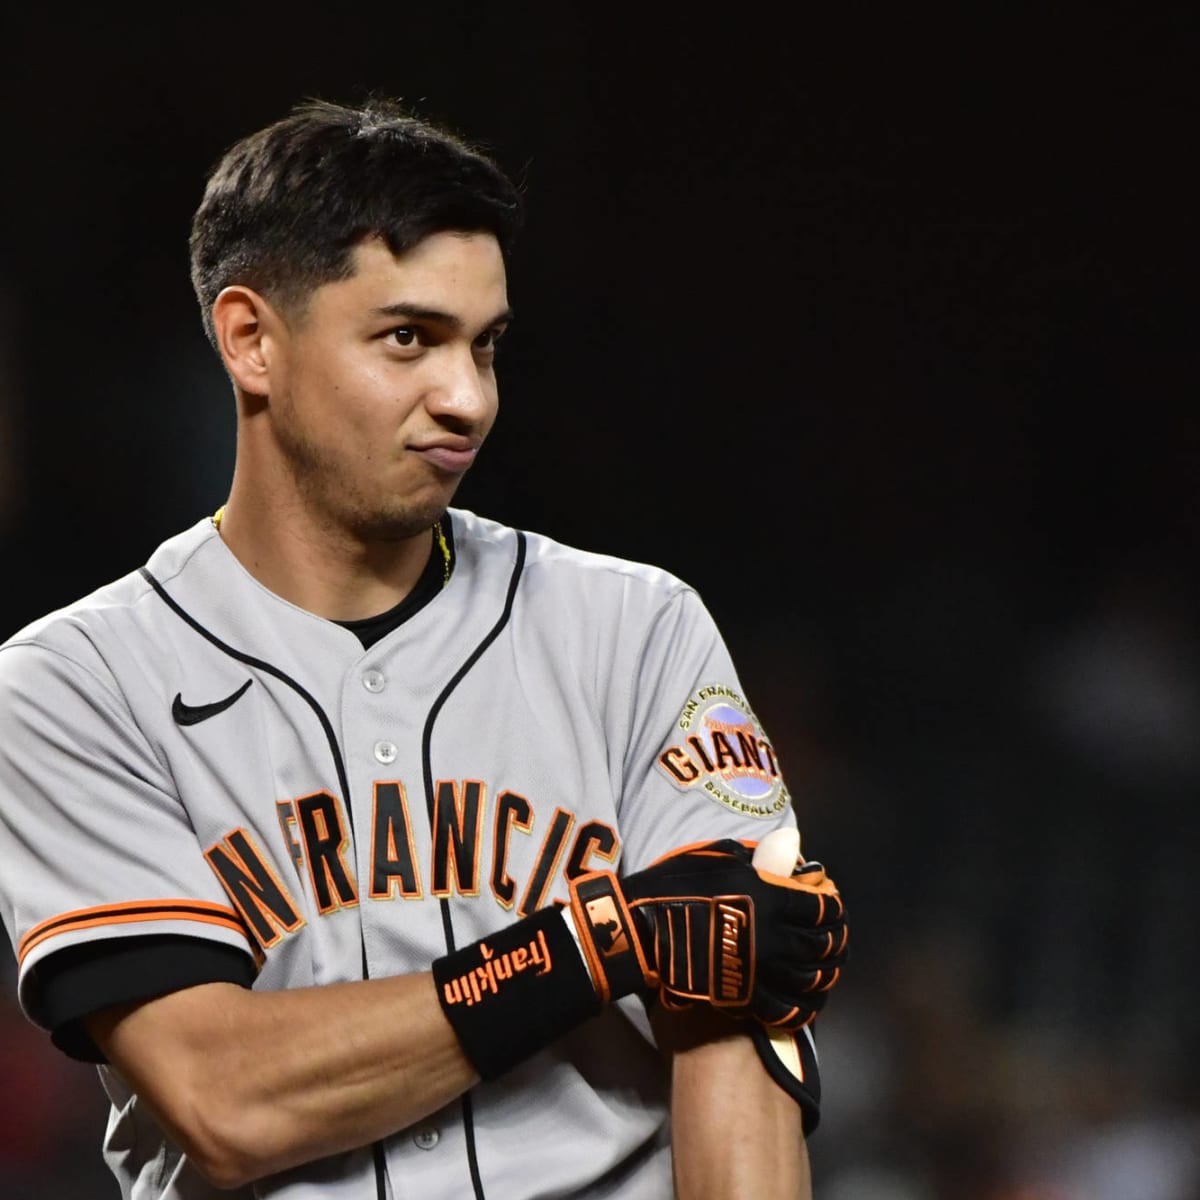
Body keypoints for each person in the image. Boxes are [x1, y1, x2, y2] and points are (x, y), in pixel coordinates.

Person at [0, 96, 848, 1199]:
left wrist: (629, 944)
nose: (466, 400)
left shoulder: (636, 630)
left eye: (485, 345)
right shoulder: (73, 684)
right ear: (251, 339)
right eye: (409, 338)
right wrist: (595, 945)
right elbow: (226, 1099)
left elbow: (737, 1002)